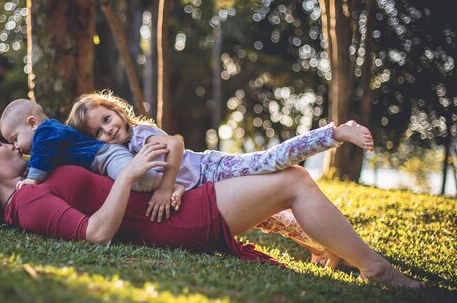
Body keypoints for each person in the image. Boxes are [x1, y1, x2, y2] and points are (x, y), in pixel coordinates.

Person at [0, 125, 423, 289]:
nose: (9, 147)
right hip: (171, 222)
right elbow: (95, 233)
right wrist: (134, 177)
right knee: (291, 180)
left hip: (171, 207)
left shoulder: (33, 181)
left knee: (289, 181)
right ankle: (374, 267)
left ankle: (351, 256)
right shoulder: (26, 205)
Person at [67, 91, 373, 223]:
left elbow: (175, 145)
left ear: (118, 111)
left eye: (107, 119)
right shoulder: (123, 151)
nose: (107, 131)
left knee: (272, 160)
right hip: (202, 182)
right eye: (96, 132)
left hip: (211, 169)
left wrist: (164, 188)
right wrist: (173, 187)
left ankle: (335, 133)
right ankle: (324, 248)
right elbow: (163, 173)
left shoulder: (139, 134)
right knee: (272, 221)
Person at [0, 98, 175, 194]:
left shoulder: (46, 132)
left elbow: (42, 154)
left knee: (130, 177)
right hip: (102, 159)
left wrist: (33, 178)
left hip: (106, 155)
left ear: (32, 123)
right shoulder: (46, 136)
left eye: (15, 138)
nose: (15, 146)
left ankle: (172, 185)